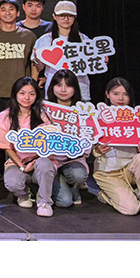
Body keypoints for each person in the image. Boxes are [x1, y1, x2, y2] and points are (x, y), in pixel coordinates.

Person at [0, 77, 56, 217]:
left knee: (45, 165)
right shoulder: (5, 116)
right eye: (22, 93)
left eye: (31, 94)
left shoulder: (44, 115)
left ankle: (44, 202)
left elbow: (50, 143)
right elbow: (6, 147)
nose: (27, 98)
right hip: (17, 162)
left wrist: (36, 161)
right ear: (15, 94)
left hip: (40, 160)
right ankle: (23, 194)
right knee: (12, 182)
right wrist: (22, 167)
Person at [92, 78, 140, 215]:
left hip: (129, 169)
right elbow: (88, 148)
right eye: (116, 94)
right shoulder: (96, 117)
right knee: (131, 209)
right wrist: (97, 150)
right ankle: (105, 195)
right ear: (107, 94)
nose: (121, 98)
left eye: (125, 94)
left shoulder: (138, 117)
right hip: (108, 173)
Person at [46, 70, 90, 208]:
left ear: (75, 88)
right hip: (50, 161)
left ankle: (74, 187)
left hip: (72, 160)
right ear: (52, 87)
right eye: (59, 85)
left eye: (68, 85)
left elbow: (89, 139)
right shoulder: (43, 108)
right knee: (65, 202)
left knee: (79, 174)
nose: (63, 90)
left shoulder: (83, 110)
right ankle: (46, 185)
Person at [32, 0, 91, 99]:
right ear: (54, 16)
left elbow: (91, 65)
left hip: (80, 88)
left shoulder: (84, 39)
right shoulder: (45, 40)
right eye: (62, 15)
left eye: (70, 16)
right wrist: (37, 60)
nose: (66, 19)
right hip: (54, 89)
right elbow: (39, 68)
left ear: (75, 17)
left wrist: (101, 61)